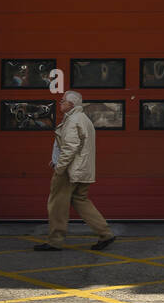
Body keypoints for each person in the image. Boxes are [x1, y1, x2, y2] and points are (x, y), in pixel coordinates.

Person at [35, 90, 116, 252]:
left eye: (63, 100)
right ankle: (105, 233)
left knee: (57, 205)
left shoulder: (73, 120)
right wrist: (56, 159)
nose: (60, 102)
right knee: (81, 200)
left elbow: (70, 148)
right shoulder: (83, 119)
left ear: (71, 104)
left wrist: (59, 167)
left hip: (69, 171)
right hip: (82, 170)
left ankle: (54, 241)